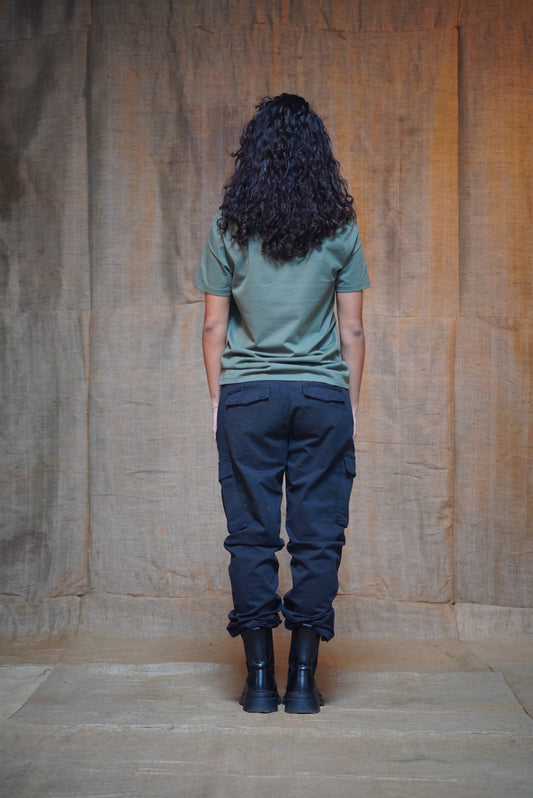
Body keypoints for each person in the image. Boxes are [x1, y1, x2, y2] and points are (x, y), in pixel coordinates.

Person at [195, 93, 369, 714]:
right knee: (318, 537)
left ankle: (259, 684)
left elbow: (213, 327)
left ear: (254, 154)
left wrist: (218, 399)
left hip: (248, 396)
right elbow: (353, 330)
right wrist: (350, 404)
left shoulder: (228, 227)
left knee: (251, 536)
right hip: (323, 395)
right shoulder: (340, 229)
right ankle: (301, 684)